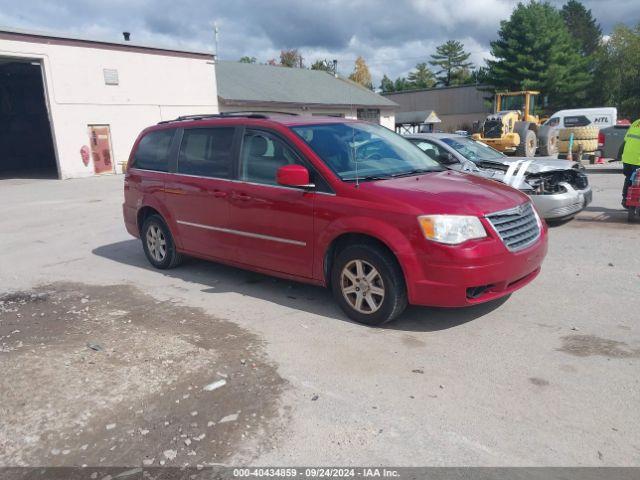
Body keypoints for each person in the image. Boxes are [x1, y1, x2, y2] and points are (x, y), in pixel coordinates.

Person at [622, 118, 640, 208]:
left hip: (627, 157)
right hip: (637, 159)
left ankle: (625, 200)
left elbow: (626, 139)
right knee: (637, 181)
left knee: (629, 178)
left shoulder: (636, 122)